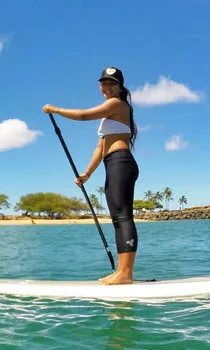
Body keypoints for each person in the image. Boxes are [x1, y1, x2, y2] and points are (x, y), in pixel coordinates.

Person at [43, 66, 140, 285]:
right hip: (113, 163)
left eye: (111, 83)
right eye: (103, 83)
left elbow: (84, 115)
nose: (106, 87)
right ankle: (121, 271)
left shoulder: (116, 104)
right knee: (117, 217)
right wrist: (87, 173)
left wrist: (55, 109)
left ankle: (125, 273)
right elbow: (100, 147)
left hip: (121, 162)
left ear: (120, 87)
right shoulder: (109, 117)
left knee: (123, 216)